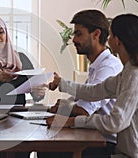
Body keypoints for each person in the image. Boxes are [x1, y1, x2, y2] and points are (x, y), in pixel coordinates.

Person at [47, 13, 138, 158]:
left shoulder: (134, 75)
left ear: (117, 40)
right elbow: (96, 91)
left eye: (111, 35)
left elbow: (115, 122)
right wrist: (62, 84)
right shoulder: (127, 72)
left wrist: (72, 121)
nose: (108, 39)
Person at [40, 9, 123, 158]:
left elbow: (85, 109)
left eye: (79, 34)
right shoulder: (98, 65)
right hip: (91, 135)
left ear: (96, 34)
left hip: (105, 144)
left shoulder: (108, 68)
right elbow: (84, 98)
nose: (74, 40)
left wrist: (65, 106)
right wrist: (66, 104)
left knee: (48, 152)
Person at [0, 15, 46, 106]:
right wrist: (1, 76)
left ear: (6, 35)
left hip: (20, 114)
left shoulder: (21, 58)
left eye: (0, 32)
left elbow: (35, 93)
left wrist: (39, 92)